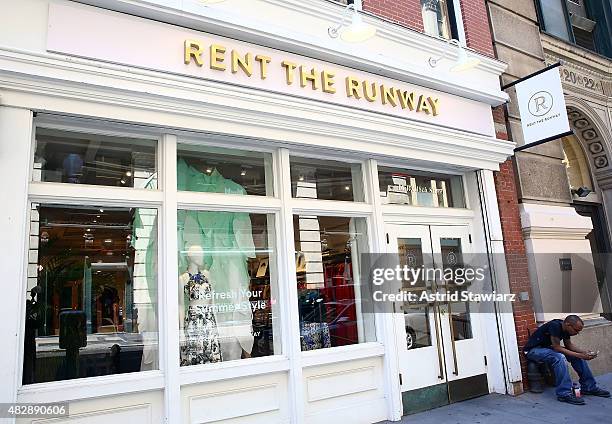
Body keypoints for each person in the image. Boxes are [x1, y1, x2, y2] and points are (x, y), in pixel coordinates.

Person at [524, 315, 610, 405]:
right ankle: (564, 394)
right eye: (576, 330)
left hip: (548, 349)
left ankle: (589, 387)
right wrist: (581, 355)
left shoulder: (565, 328)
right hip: (533, 351)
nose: (577, 333)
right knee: (559, 357)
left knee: (576, 357)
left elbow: (569, 346)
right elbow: (557, 348)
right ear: (568, 325)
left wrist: (585, 353)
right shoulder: (555, 326)